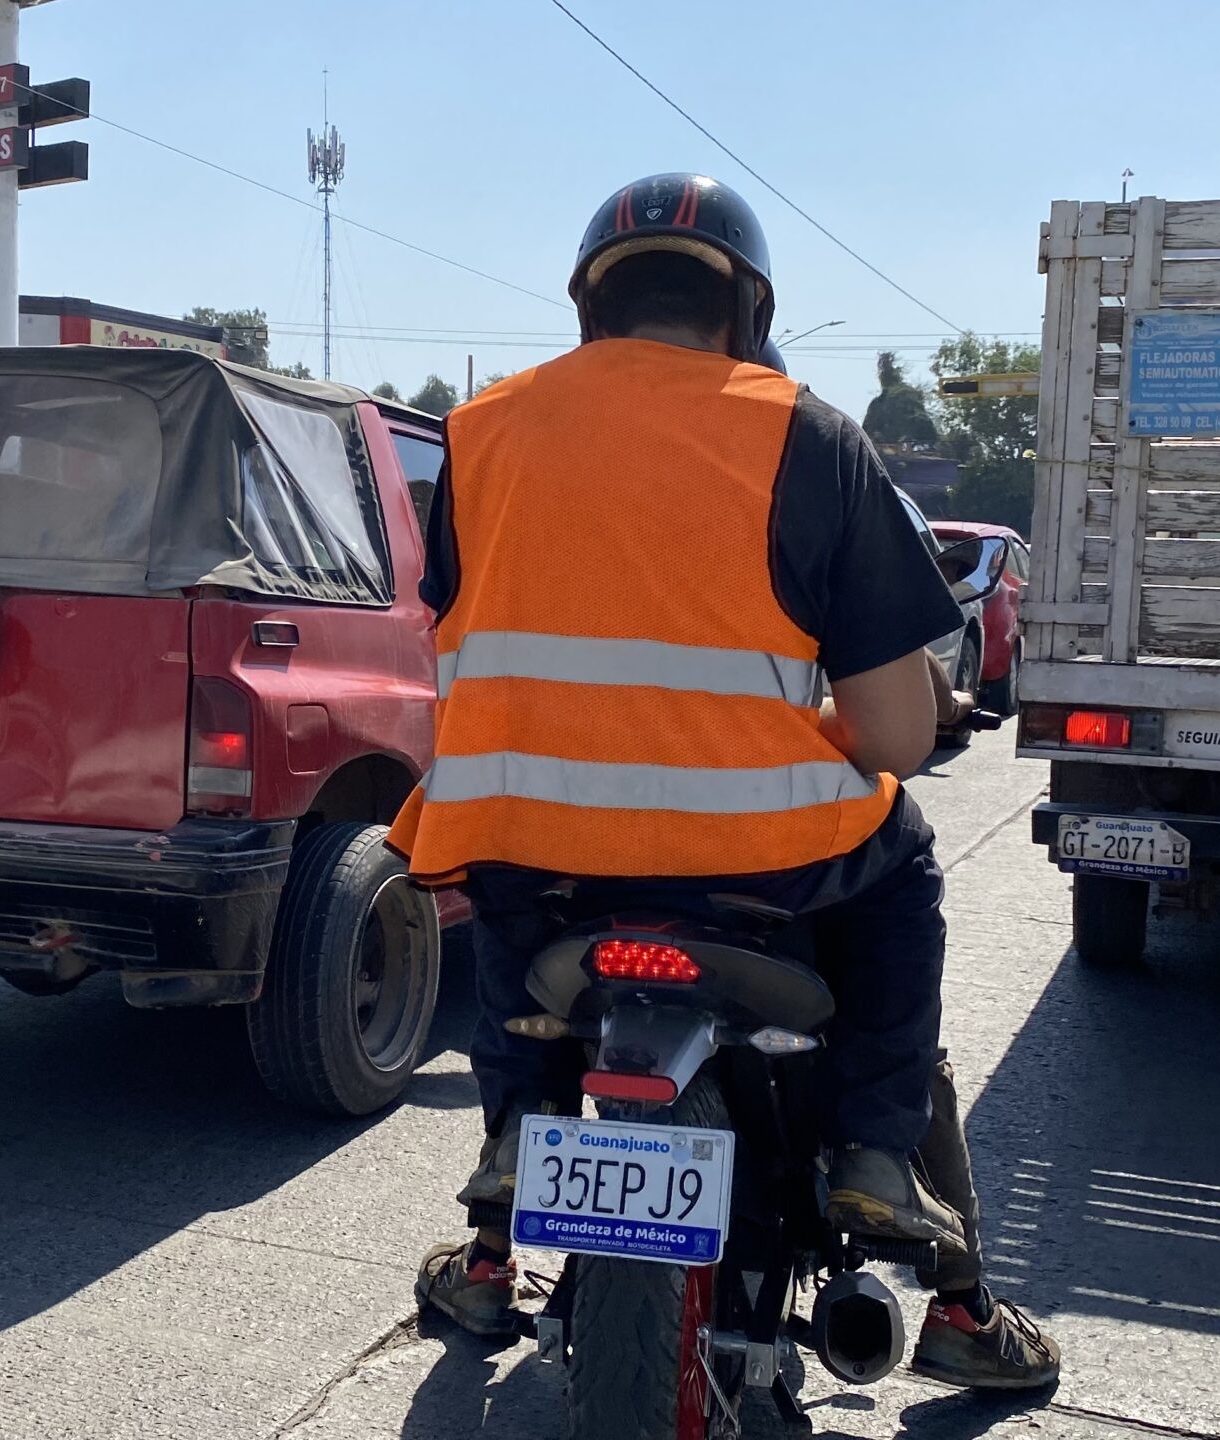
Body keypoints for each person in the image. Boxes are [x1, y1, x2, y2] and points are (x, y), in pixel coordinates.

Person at [393, 173, 1057, 1390]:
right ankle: (876, 1161)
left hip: (529, 842)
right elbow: (892, 737)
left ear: (592, 304)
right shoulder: (807, 434)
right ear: (748, 311)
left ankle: (511, 1159)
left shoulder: (478, 433)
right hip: (761, 863)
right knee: (902, 866)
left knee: (505, 910)